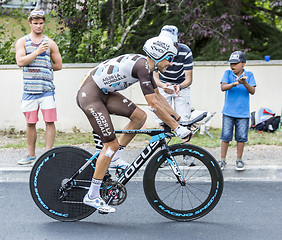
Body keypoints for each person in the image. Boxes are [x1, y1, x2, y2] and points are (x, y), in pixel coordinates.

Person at [76, 36, 191, 213]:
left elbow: (158, 97)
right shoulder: (143, 67)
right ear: (159, 55)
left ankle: (114, 158)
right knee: (110, 145)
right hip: (90, 95)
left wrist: (178, 118)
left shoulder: (146, 66)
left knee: (139, 116)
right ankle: (92, 195)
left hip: (103, 93)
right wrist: (177, 129)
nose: (171, 63)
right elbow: (154, 104)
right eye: (169, 58)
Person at [15, 9, 62, 165]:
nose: (38, 26)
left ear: (44, 23)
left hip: (47, 90)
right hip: (29, 91)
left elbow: (58, 65)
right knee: (30, 123)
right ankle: (31, 155)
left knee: (49, 122)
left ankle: (47, 155)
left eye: (41, 23)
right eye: (35, 23)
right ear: (30, 23)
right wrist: (36, 52)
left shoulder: (50, 43)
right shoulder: (22, 42)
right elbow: (20, 62)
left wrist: (44, 68)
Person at [218, 51, 256, 171]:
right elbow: (223, 87)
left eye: (235, 63)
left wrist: (244, 82)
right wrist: (235, 83)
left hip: (243, 113)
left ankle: (239, 160)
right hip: (228, 112)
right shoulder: (227, 73)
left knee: (241, 137)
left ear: (243, 64)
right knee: (225, 136)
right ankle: (222, 160)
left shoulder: (249, 75)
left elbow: (252, 91)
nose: (232, 66)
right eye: (231, 64)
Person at [153, 25, 193, 123]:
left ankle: (184, 136)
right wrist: (163, 85)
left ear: (175, 42)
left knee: (184, 120)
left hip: (181, 85)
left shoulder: (186, 51)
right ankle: (164, 138)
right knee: (162, 120)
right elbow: (154, 77)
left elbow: (189, 79)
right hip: (163, 84)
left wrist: (179, 86)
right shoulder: (156, 52)